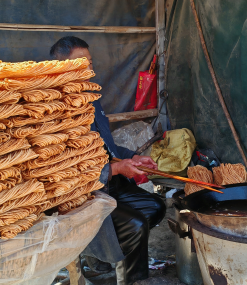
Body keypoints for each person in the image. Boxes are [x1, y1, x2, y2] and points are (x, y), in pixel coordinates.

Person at [50, 36, 166, 285]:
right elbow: (66, 170)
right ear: (62, 69)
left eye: (90, 63)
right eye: (81, 64)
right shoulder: (55, 111)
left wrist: (132, 157)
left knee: (155, 208)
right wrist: (114, 169)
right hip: (81, 196)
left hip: (108, 186)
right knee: (134, 226)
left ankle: (101, 260)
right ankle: (124, 276)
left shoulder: (91, 98)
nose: (90, 70)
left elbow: (107, 146)